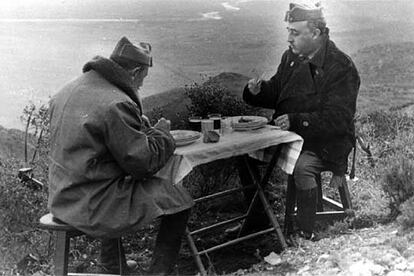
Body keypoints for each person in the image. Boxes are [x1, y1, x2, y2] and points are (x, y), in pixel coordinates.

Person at [48, 36, 194, 275]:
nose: (140, 86)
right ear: (135, 72)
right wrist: (162, 134)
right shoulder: (116, 103)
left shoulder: (71, 88)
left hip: (62, 196)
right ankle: (159, 273)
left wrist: (134, 127)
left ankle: (112, 265)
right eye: (142, 80)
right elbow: (143, 163)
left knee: (116, 181)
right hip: (91, 204)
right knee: (178, 200)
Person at [239, 3, 360, 240]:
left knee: (302, 167)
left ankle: (306, 231)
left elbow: (338, 119)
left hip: (326, 142)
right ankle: (259, 220)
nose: (289, 39)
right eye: (288, 31)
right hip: (293, 136)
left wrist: (296, 121)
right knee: (244, 153)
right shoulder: (291, 58)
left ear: (315, 33)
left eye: (295, 33)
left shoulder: (341, 67)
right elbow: (278, 92)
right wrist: (257, 92)